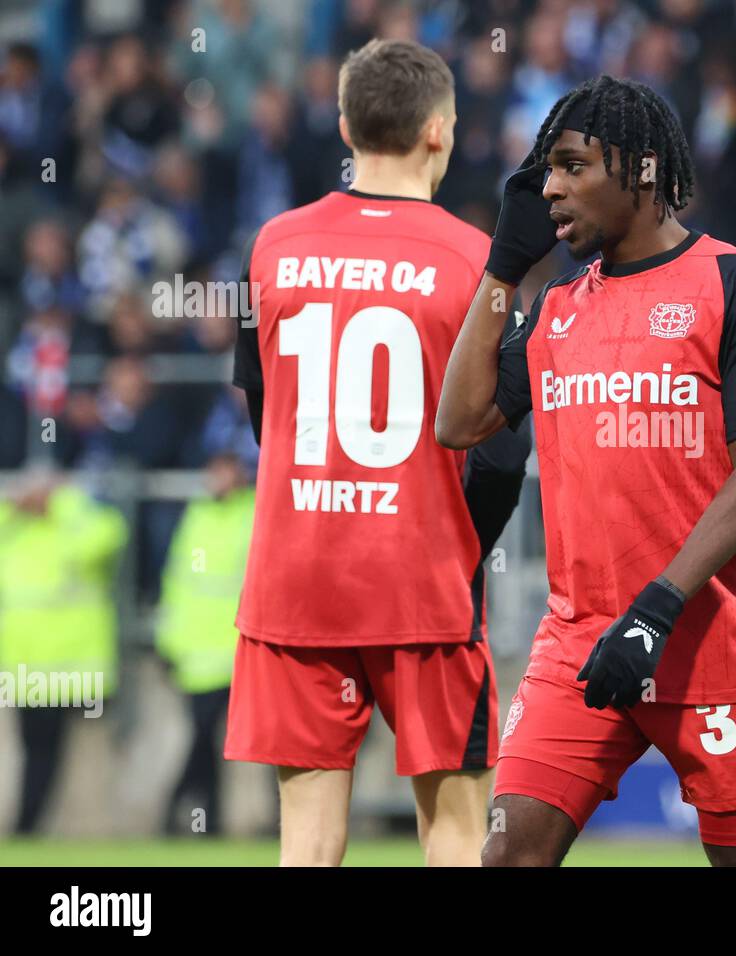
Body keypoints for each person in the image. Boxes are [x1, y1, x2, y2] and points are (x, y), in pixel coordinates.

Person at [438, 75, 736, 867]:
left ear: (642, 169)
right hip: (581, 640)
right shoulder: (554, 308)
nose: (551, 187)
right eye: (548, 171)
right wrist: (503, 270)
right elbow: (458, 422)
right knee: (506, 856)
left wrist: (658, 607)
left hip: (715, 642)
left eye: (573, 166)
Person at [223, 39, 529, 867]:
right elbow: (503, 453)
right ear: (440, 130)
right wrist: (458, 543)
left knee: (309, 842)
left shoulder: (273, 247)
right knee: (458, 833)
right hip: (421, 583)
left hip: (298, 578)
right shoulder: (477, 263)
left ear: (343, 124)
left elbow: (265, 411)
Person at [0, 469, 126, 833]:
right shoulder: (15, 532)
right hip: (26, 667)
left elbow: (108, 537)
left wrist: (64, 501)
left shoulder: (74, 525)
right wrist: (14, 505)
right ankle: (28, 828)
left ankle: (31, 828)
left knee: (60, 755)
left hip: (72, 669)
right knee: (35, 752)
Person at [156, 451, 255, 835]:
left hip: (240, 648)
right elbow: (178, 583)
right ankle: (201, 817)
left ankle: (188, 812)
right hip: (199, 652)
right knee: (203, 738)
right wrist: (169, 641)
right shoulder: (196, 516)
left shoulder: (251, 514)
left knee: (224, 739)